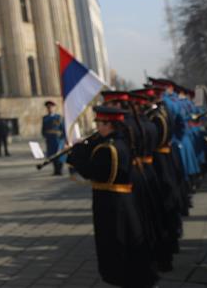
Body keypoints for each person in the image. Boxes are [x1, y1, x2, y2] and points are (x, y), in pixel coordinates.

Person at [66, 106, 158, 288]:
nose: (97, 127)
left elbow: (93, 171)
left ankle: (121, 277)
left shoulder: (108, 148)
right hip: (123, 200)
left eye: (99, 123)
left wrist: (74, 155)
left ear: (108, 124)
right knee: (126, 239)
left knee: (115, 242)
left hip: (111, 203)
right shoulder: (120, 141)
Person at [42, 100, 65, 175]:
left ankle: (60, 170)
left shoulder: (59, 117)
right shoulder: (45, 118)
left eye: (51, 107)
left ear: (54, 108)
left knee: (60, 155)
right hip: (50, 140)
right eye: (48, 107)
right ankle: (55, 170)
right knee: (52, 155)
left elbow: (62, 128)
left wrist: (63, 138)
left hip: (58, 139)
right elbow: (43, 129)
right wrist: (45, 136)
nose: (49, 109)